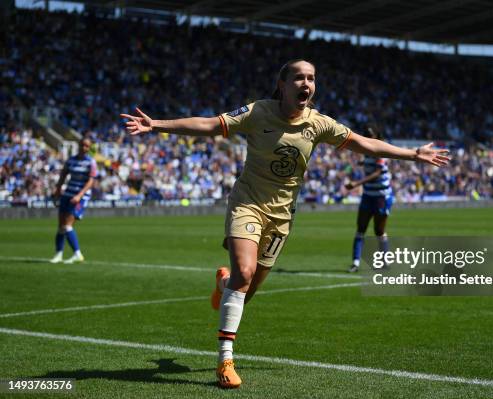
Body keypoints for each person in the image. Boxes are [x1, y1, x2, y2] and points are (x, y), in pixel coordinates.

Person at [121, 59, 450, 389]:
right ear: (282, 84)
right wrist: (157, 125)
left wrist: (412, 154)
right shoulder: (257, 112)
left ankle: (224, 285)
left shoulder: (319, 124)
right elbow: (209, 125)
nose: (306, 83)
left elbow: (365, 143)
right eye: (298, 78)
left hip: (282, 217)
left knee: (245, 290)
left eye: (311, 78)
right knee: (245, 273)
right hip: (247, 202)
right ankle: (225, 359)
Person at [345, 127, 393, 272]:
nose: (367, 137)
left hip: (381, 196)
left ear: (376, 135)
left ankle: (385, 261)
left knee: (379, 230)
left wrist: (356, 183)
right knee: (361, 228)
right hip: (368, 195)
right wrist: (360, 164)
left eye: (370, 135)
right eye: (365, 135)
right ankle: (355, 263)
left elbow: (377, 173)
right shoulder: (366, 150)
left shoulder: (380, 150)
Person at [49, 138, 97, 264]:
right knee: (61, 226)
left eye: (86, 146)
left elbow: (91, 181)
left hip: (80, 197)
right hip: (68, 194)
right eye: (82, 145)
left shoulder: (91, 162)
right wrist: (58, 189)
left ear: (89, 148)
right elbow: (63, 174)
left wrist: (80, 195)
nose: (84, 148)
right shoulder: (71, 160)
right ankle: (58, 254)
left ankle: (77, 254)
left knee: (67, 225)